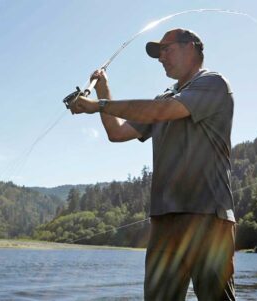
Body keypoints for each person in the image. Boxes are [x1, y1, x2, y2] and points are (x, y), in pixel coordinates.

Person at [70, 28, 236, 301]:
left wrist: (99, 104)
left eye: (166, 49)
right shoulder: (163, 98)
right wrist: (103, 88)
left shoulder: (214, 83)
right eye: (158, 53)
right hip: (163, 221)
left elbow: (163, 111)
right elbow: (118, 132)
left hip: (208, 218)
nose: (161, 57)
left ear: (191, 47)